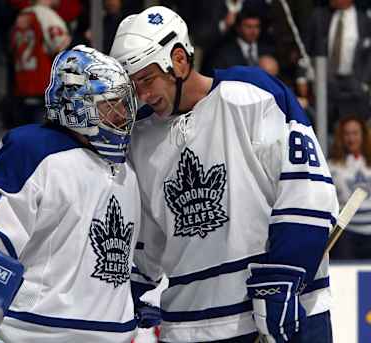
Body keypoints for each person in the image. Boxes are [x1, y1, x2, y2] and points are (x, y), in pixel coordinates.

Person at [110, 6, 338, 343]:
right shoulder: (140, 137)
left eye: (147, 79)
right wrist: (132, 293)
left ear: (179, 61)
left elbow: (307, 191)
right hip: (188, 328)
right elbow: (145, 238)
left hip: (285, 313)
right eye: (133, 85)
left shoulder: (251, 95)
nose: (142, 94)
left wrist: (285, 277)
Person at [0, 45, 155, 343]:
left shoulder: (126, 168)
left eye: (125, 105)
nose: (123, 115)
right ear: (76, 106)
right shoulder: (34, 150)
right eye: (111, 105)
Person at [10, 0, 70, 127]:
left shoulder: (22, 16)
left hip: (23, 82)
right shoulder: (47, 16)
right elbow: (61, 46)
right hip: (43, 83)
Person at [328, 115, 371, 260]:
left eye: (355, 133)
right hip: (346, 233)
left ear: (363, 135)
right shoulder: (332, 165)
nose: (351, 138)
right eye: (347, 133)